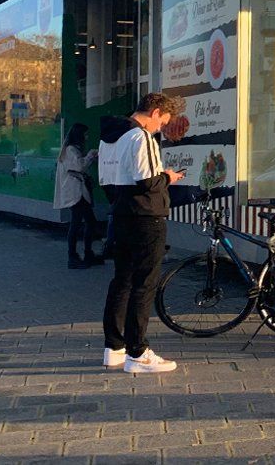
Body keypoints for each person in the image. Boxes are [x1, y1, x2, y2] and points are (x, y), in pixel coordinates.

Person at [98, 93, 184, 375]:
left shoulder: (108, 138)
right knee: (144, 284)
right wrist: (168, 177)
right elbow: (147, 181)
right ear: (155, 112)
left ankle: (114, 347)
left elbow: (106, 181)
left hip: (120, 214)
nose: (160, 128)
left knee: (121, 281)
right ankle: (138, 351)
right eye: (163, 122)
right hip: (146, 217)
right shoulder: (141, 137)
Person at [53, 123, 101, 269]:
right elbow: (79, 166)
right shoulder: (71, 150)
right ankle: (74, 256)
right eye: (85, 134)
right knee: (80, 222)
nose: (87, 137)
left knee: (85, 222)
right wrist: (91, 155)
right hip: (76, 193)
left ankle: (84, 254)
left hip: (77, 192)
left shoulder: (69, 150)